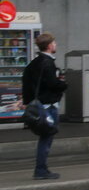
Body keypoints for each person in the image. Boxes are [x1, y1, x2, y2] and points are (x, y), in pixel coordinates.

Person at [22, 32, 67, 180]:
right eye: (54, 43)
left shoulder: (33, 63)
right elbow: (53, 84)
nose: (55, 45)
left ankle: (41, 169)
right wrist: (63, 84)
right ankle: (41, 170)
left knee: (44, 137)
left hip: (38, 105)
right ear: (49, 46)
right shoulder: (48, 63)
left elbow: (26, 82)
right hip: (49, 106)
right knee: (46, 138)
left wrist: (28, 102)